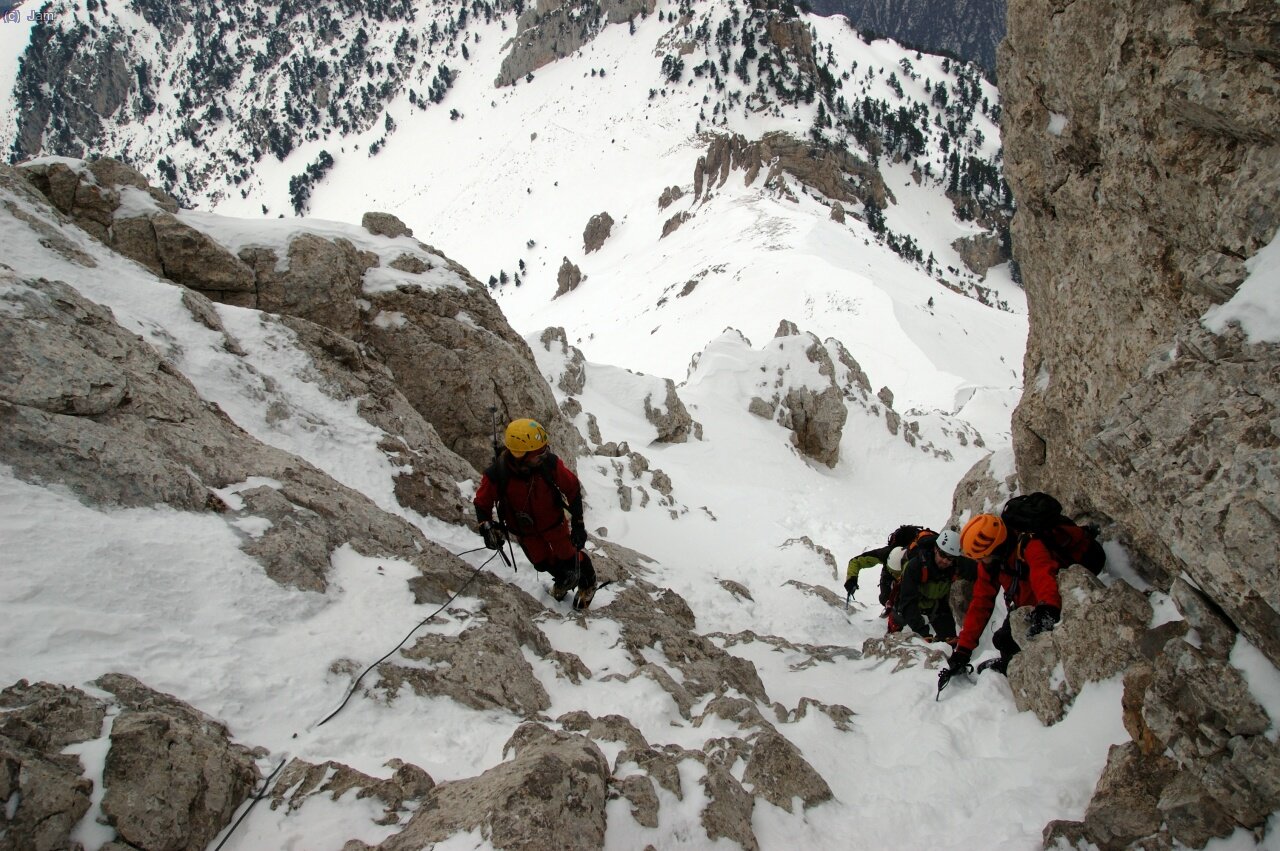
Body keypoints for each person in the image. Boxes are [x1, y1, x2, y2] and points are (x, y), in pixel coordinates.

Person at [474, 418, 597, 610]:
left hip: (554, 523)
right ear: (520, 455)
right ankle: (564, 579)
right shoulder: (498, 474)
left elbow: (572, 488)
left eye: (544, 450)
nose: (544, 455)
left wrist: (579, 524)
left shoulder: (548, 464)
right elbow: (482, 502)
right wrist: (486, 527)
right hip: (525, 532)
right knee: (540, 562)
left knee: (569, 555)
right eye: (538, 453)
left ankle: (588, 582)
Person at [943, 512, 1064, 677]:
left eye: (981, 558)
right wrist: (963, 650)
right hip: (1024, 605)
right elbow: (980, 603)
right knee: (1003, 640)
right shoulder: (992, 563)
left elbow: (1043, 576)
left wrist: (1048, 609)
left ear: (995, 549)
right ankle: (1010, 665)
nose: (979, 562)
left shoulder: (1030, 545)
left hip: (1048, 603)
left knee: (1011, 641)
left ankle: (1019, 670)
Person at [894, 529, 967, 642]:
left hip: (936, 606)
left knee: (950, 642)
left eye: (950, 558)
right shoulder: (916, 566)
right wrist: (922, 632)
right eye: (942, 554)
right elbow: (908, 602)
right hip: (909, 603)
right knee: (900, 621)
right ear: (935, 549)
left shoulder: (956, 565)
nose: (945, 561)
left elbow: (979, 571)